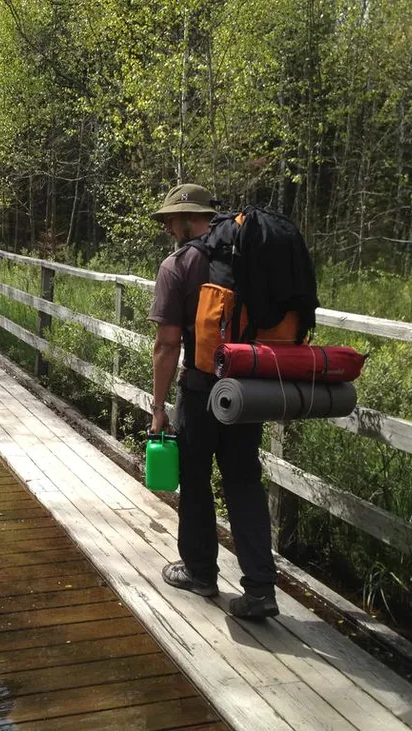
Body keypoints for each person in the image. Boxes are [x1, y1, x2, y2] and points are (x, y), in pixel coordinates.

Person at [148, 183, 279, 619]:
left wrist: (158, 407)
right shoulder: (247, 258)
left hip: (203, 392)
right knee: (244, 482)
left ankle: (201, 573)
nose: (168, 227)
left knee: (197, 481)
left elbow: (167, 345)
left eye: (171, 219)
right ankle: (261, 589)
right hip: (246, 392)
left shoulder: (178, 265)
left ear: (188, 218)